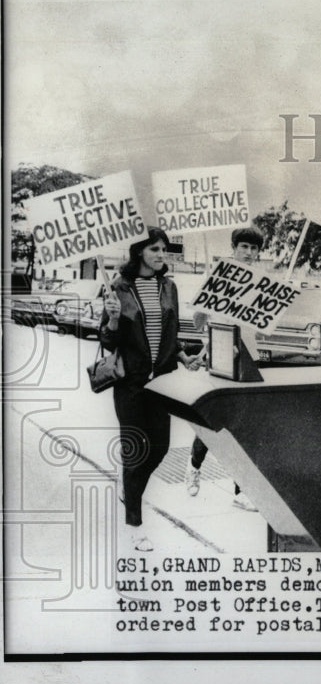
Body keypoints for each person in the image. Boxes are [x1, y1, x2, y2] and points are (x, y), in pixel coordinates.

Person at [100, 228, 200, 551]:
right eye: (155, 249)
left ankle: (130, 490)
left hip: (162, 382)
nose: (161, 255)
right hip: (130, 382)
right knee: (135, 454)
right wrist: (113, 321)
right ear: (139, 252)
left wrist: (183, 355)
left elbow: (170, 331)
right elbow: (107, 340)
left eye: (164, 250)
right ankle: (135, 526)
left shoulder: (168, 286)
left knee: (160, 448)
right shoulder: (119, 287)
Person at [185, 226, 263, 511]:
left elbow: (263, 320)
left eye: (254, 249)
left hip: (248, 356)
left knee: (245, 425)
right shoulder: (217, 276)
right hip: (220, 355)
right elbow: (197, 320)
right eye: (244, 247)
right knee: (214, 420)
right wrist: (206, 319)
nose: (250, 254)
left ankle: (241, 490)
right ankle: (194, 467)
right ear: (233, 247)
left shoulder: (260, 282)